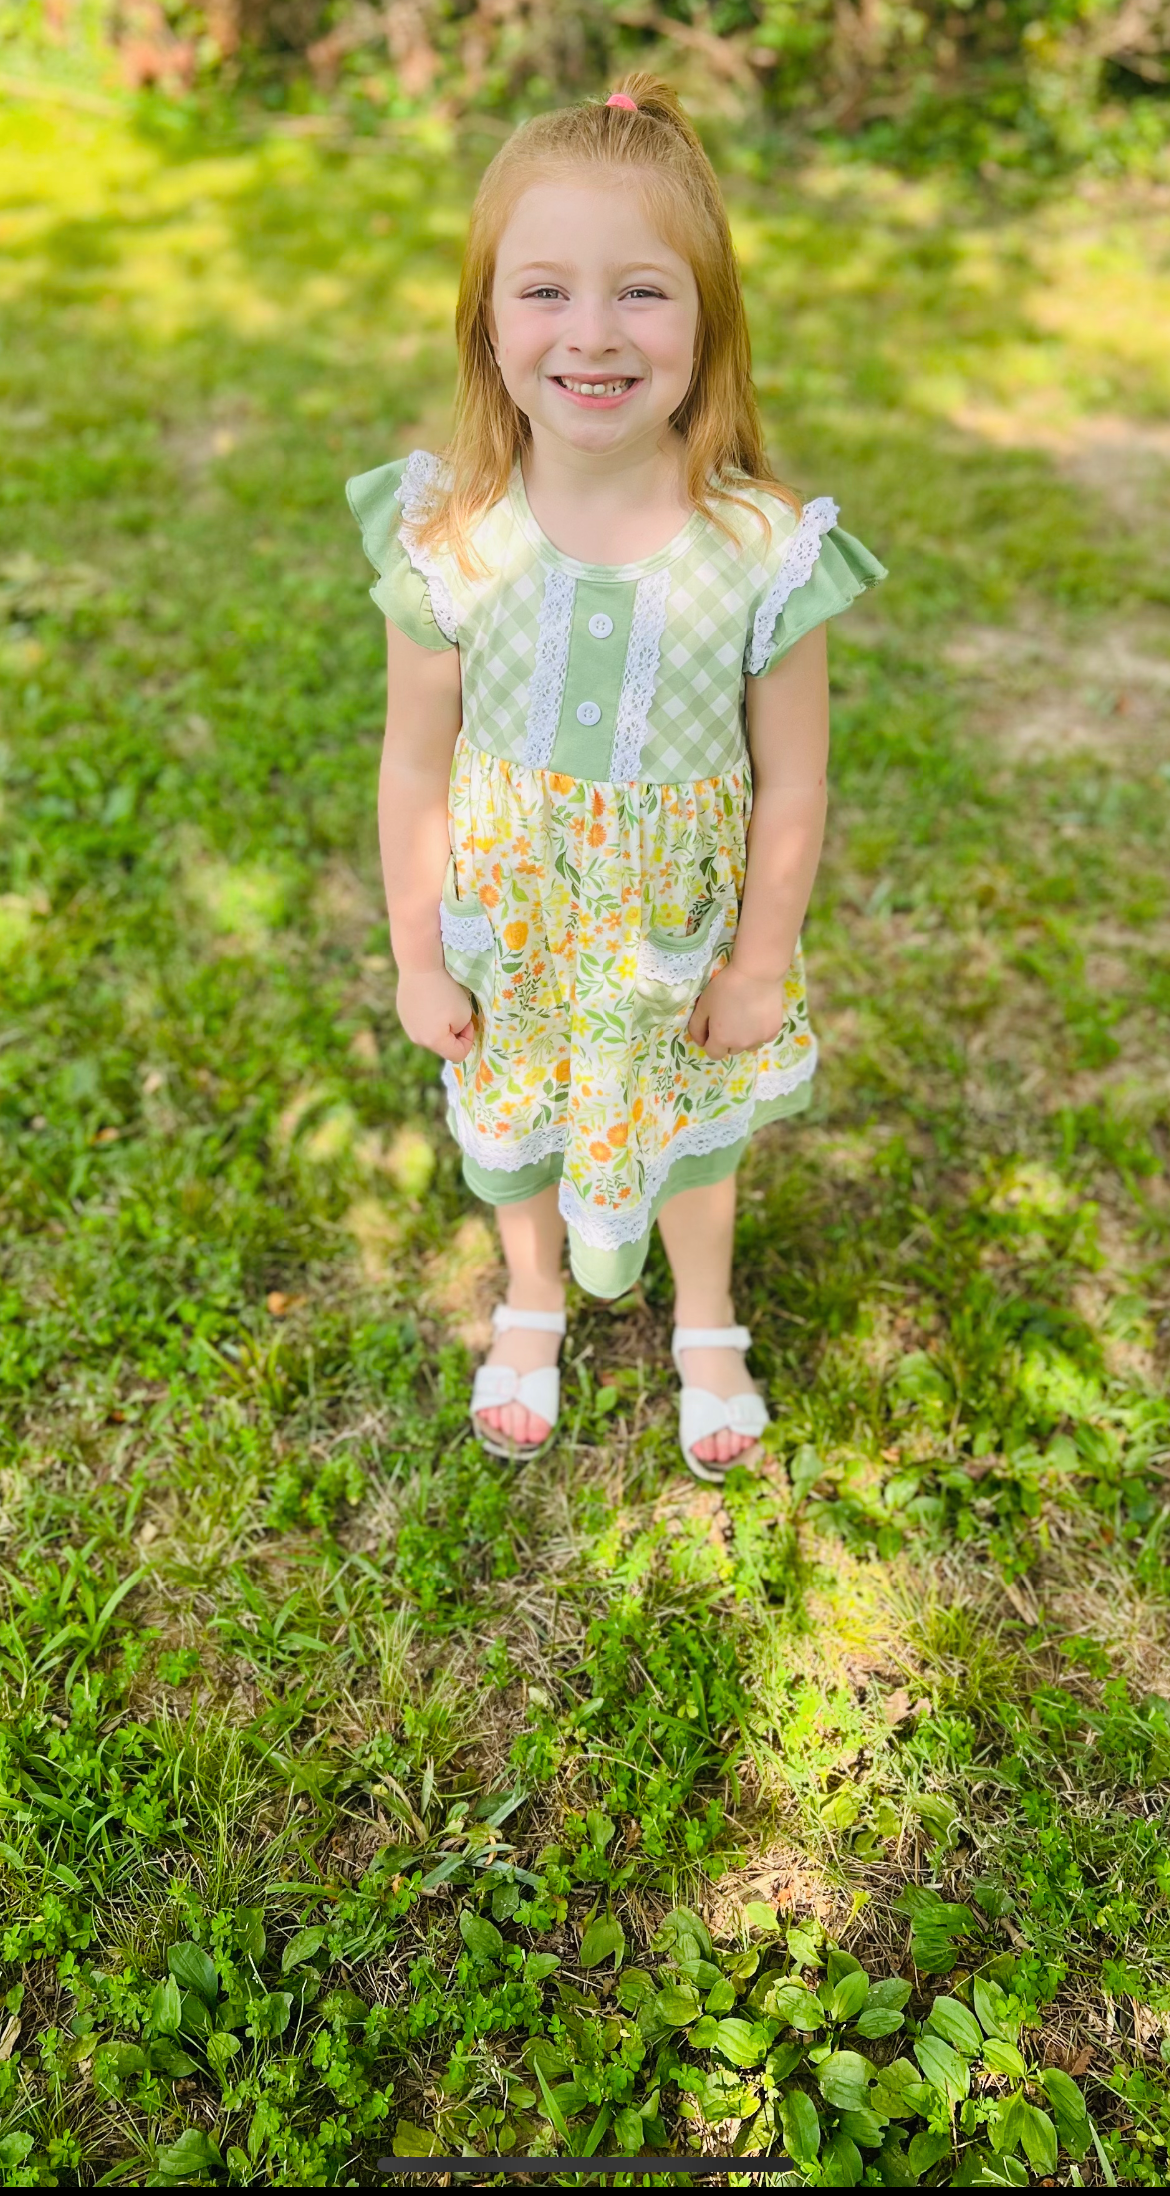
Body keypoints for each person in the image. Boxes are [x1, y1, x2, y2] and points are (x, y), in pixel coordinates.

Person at [348, 76, 885, 1481]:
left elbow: (794, 784)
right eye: (545, 292)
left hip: (673, 942)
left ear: (706, 323)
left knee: (690, 1137)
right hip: (509, 930)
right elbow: (413, 763)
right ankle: (530, 1300)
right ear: (486, 323)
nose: (591, 333)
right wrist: (419, 954)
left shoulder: (760, 546)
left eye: (641, 292)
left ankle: (706, 1317)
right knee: (511, 1131)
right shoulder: (454, 539)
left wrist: (758, 961)